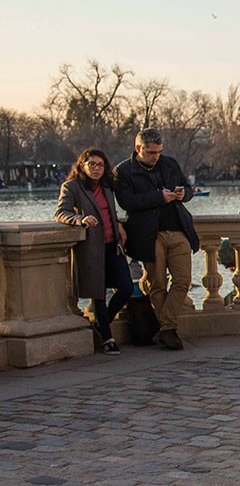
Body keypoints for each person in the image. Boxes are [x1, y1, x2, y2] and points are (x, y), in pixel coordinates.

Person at [113, 128, 198, 351]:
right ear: (138, 149)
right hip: (148, 234)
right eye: (151, 152)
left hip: (178, 228)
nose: (156, 156)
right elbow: (126, 202)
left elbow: (187, 189)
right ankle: (169, 330)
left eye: (159, 151)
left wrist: (183, 194)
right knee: (157, 283)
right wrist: (158, 197)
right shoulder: (123, 171)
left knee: (183, 280)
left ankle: (167, 328)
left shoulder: (169, 164)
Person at [54, 147, 132, 356]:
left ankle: (101, 321)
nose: (96, 168)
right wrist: (80, 219)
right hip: (91, 248)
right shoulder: (72, 187)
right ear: (82, 165)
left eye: (100, 165)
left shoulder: (107, 187)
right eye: (92, 164)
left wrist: (118, 223)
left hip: (113, 246)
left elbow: (110, 212)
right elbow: (61, 212)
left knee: (125, 288)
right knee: (98, 294)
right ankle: (107, 339)